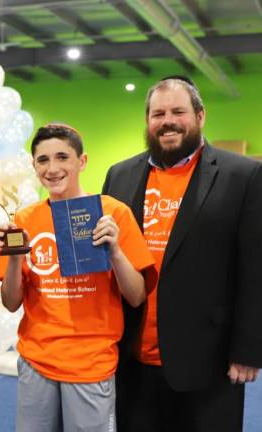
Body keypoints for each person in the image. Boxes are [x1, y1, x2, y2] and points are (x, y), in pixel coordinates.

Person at [102, 76, 262, 431]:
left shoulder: (244, 175)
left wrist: (248, 350)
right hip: (132, 356)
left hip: (208, 358)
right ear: (147, 122)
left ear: (200, 116)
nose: (167, 121)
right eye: (158, 113)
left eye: (178, 111)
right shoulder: (120, 176)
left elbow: (255, 270)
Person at [0, 123, 156, 432]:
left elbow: (136, 296)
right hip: (36, 361)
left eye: (62, 157)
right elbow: (11, 303)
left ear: (81, 162)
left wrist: (116, 251)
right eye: (43, 160)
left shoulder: (112, 214)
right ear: (34, 166)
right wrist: (15, 260)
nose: (52, 168)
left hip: (90, 364)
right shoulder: (24, 219)